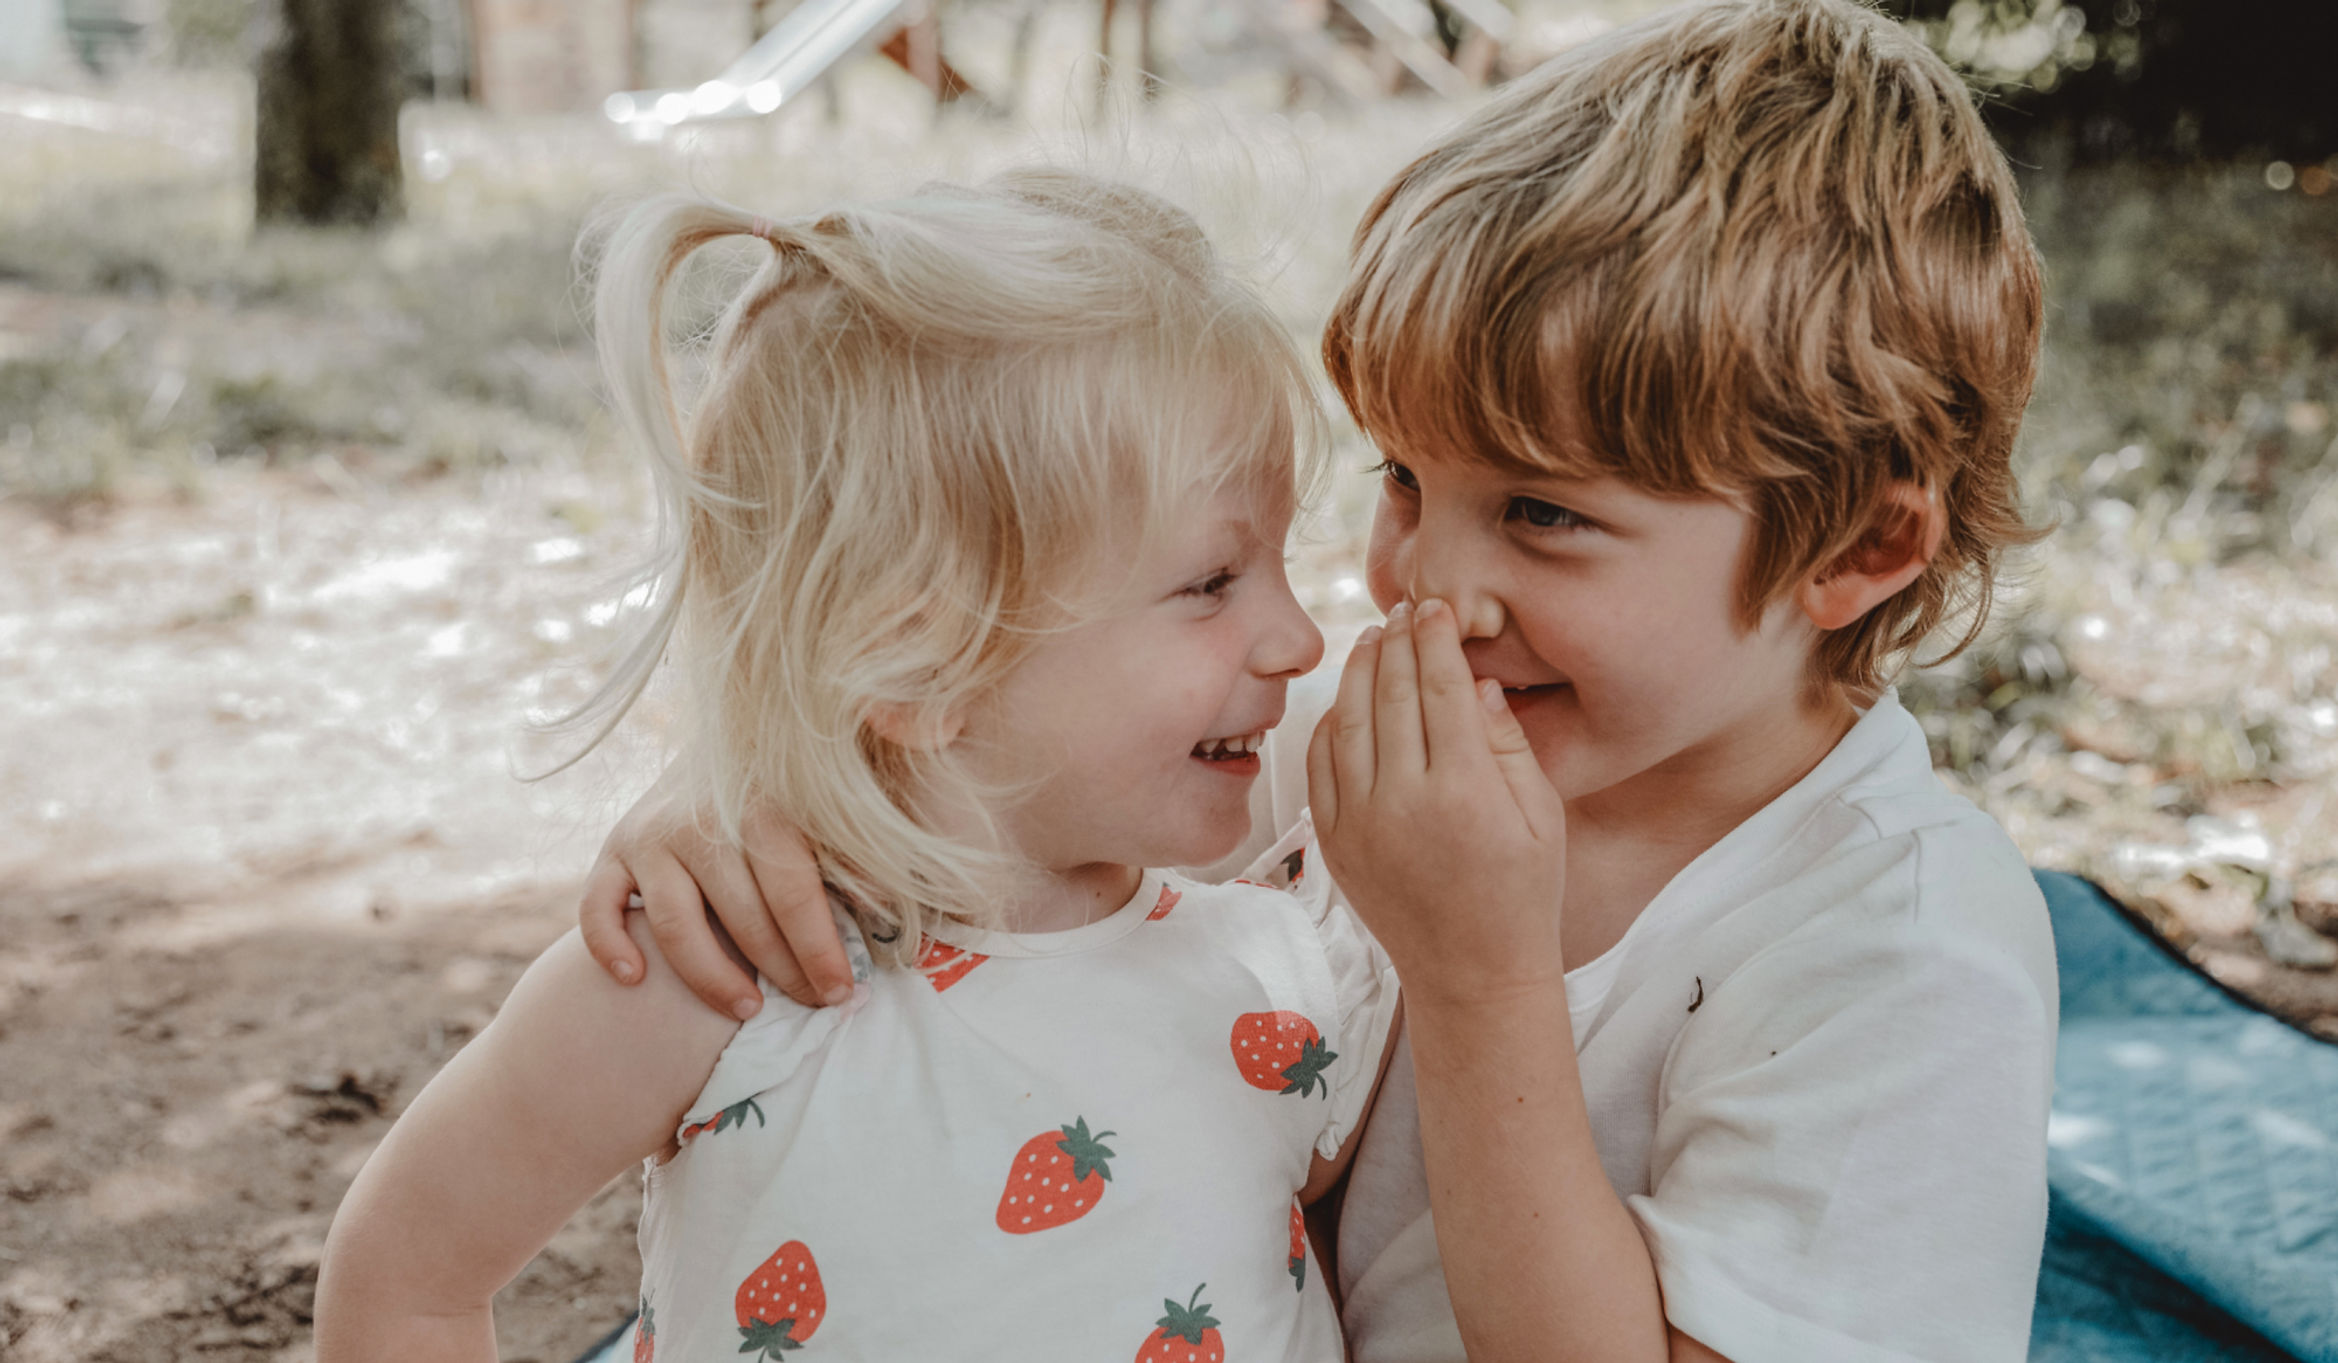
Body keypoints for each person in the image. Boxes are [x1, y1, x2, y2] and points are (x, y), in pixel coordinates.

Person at [578, 1, 2062, 1360]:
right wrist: (741, 804)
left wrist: (1482, 978)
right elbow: (984, 753)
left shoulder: (1902, 951)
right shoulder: (1337, 732)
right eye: (1410, 477)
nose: (1423, 580)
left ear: (1857, 549)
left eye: (1543, 513)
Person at [314, 170, 1402, 1362]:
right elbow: (406, 1277)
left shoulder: (1291, 978)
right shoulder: (709, 974)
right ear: (920, 661)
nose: (1298, 638)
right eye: (1211, 582)